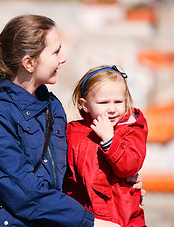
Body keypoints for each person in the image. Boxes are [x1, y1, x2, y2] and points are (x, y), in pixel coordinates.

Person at [0, 15, 123, 227]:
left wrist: (122, 186)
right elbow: (24, 190)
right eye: (56, 51)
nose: (63, 58)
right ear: (29, 63)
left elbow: (69, 173)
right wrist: (89, 223)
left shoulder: (52, 106)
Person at [63, 65, 147, 227]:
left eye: (118, 102)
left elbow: (129, 167)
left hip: (125, 217)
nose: (112, 109)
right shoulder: (73, 131)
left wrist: (110, 140)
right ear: (85, 105)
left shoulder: (130, 129)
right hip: (87, 214)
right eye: (103, 102)